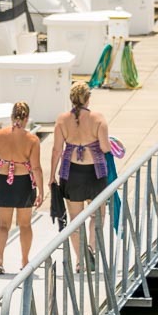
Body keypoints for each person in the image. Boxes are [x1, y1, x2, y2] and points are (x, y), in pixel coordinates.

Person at [50, 82, 110, 271]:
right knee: (98, 216)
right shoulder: (98, 118)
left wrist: (51, 176)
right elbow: (105, 148)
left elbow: (56, 150)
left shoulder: (62, 120)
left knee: (75, 220)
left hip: (71, 173)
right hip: (95, 173)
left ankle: (80, 260)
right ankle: (91, 247)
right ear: (88, 98)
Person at [0, 101, 44, 275]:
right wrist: (41, 190)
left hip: (2, 182)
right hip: (23, 183)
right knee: (25, 225)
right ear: (27, 118)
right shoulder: (32, 139)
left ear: (11, 116)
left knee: (3, 225)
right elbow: (36, 168)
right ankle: (25, 260)